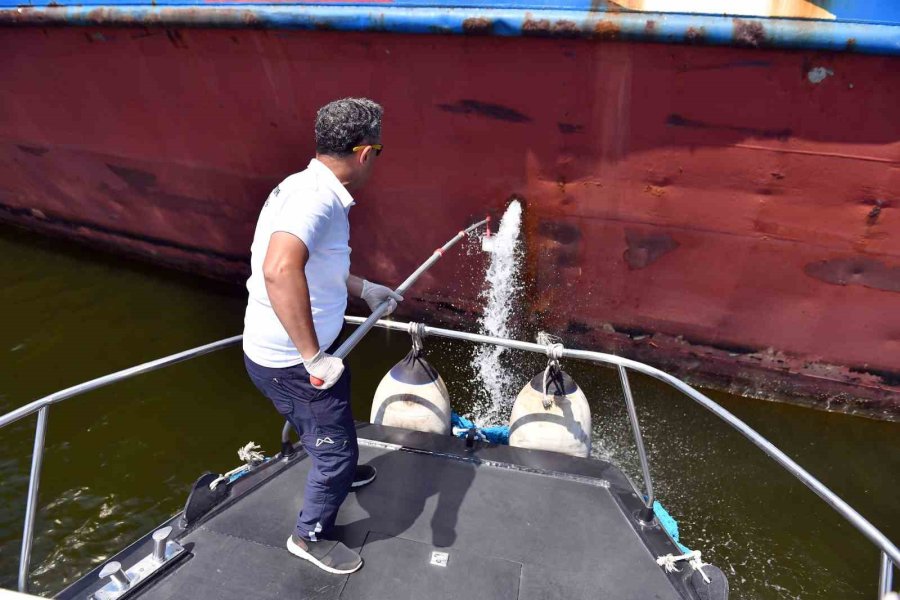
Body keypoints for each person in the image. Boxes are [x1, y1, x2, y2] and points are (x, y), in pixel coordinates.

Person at [242, 98, 402, 575]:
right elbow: (278, 269)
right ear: (366, 153)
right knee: (335, 449)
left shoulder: (304, 186)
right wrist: (312, 357)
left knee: (331, 423)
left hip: (297, 355)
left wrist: (364, 288)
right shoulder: (317, 199)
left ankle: (339, 466)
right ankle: (309, 536)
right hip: (293, 363)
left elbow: (314, 266)